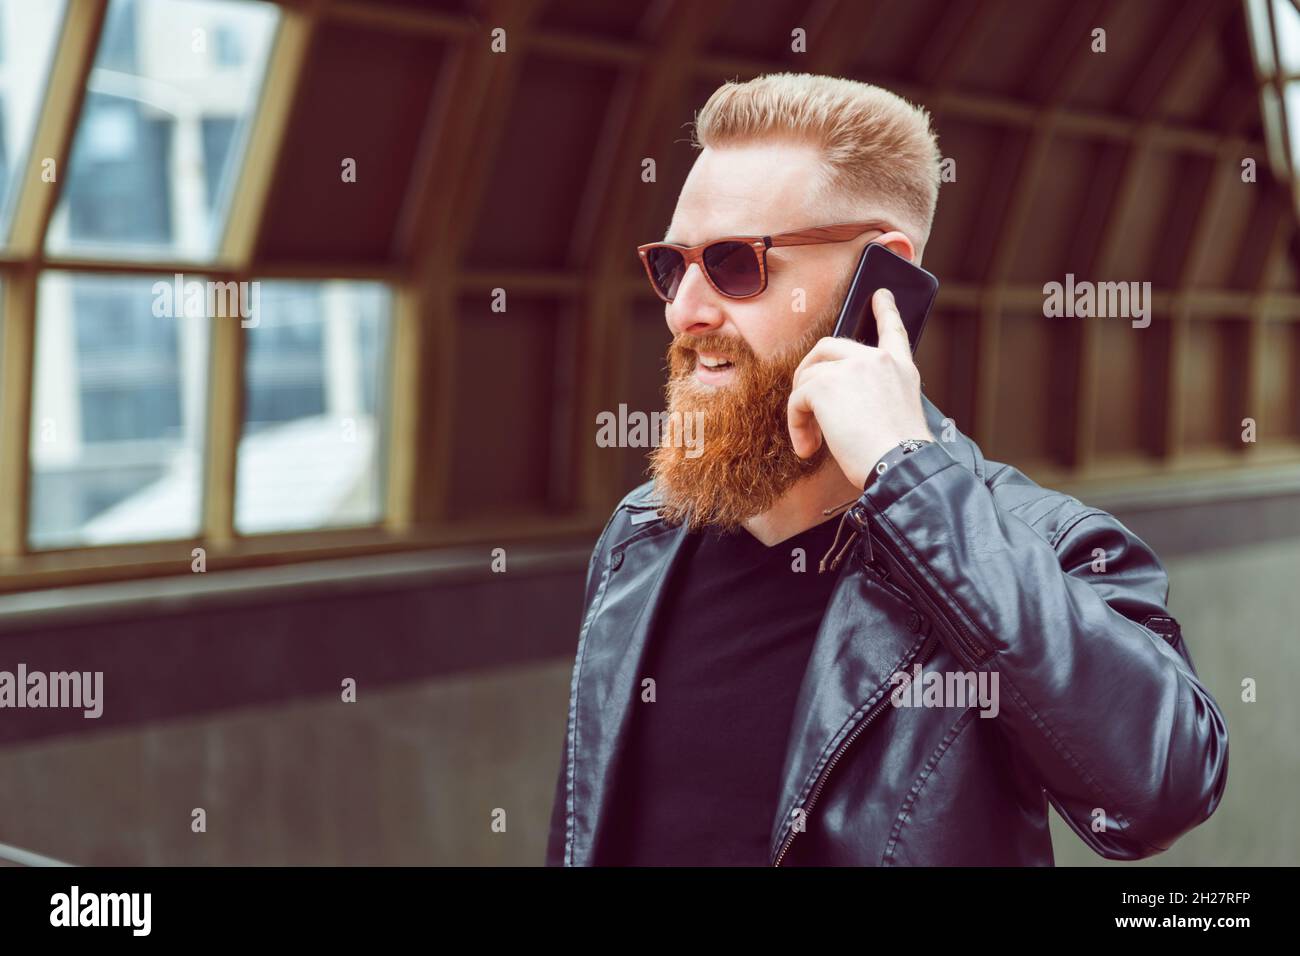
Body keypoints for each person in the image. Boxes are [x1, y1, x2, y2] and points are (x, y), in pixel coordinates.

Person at [546, 72, 1228, 866]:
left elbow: (1162, 787)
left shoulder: (1045, 545)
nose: (684, 309)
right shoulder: (642, 537)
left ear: (881, 278)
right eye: (672, 265)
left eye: (734, 264)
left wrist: (910, 477)